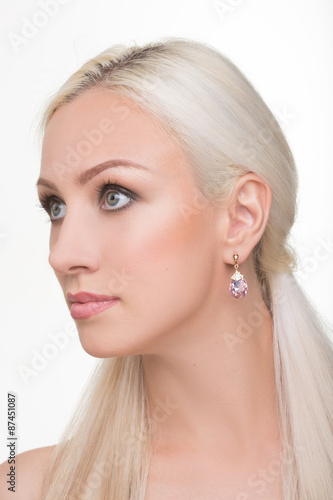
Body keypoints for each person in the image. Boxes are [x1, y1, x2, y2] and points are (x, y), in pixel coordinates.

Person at [0, 37, 332, 500]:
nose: (60, 255)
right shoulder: (23, 488)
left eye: (114, 195)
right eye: (55, 207)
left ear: (241, 218)